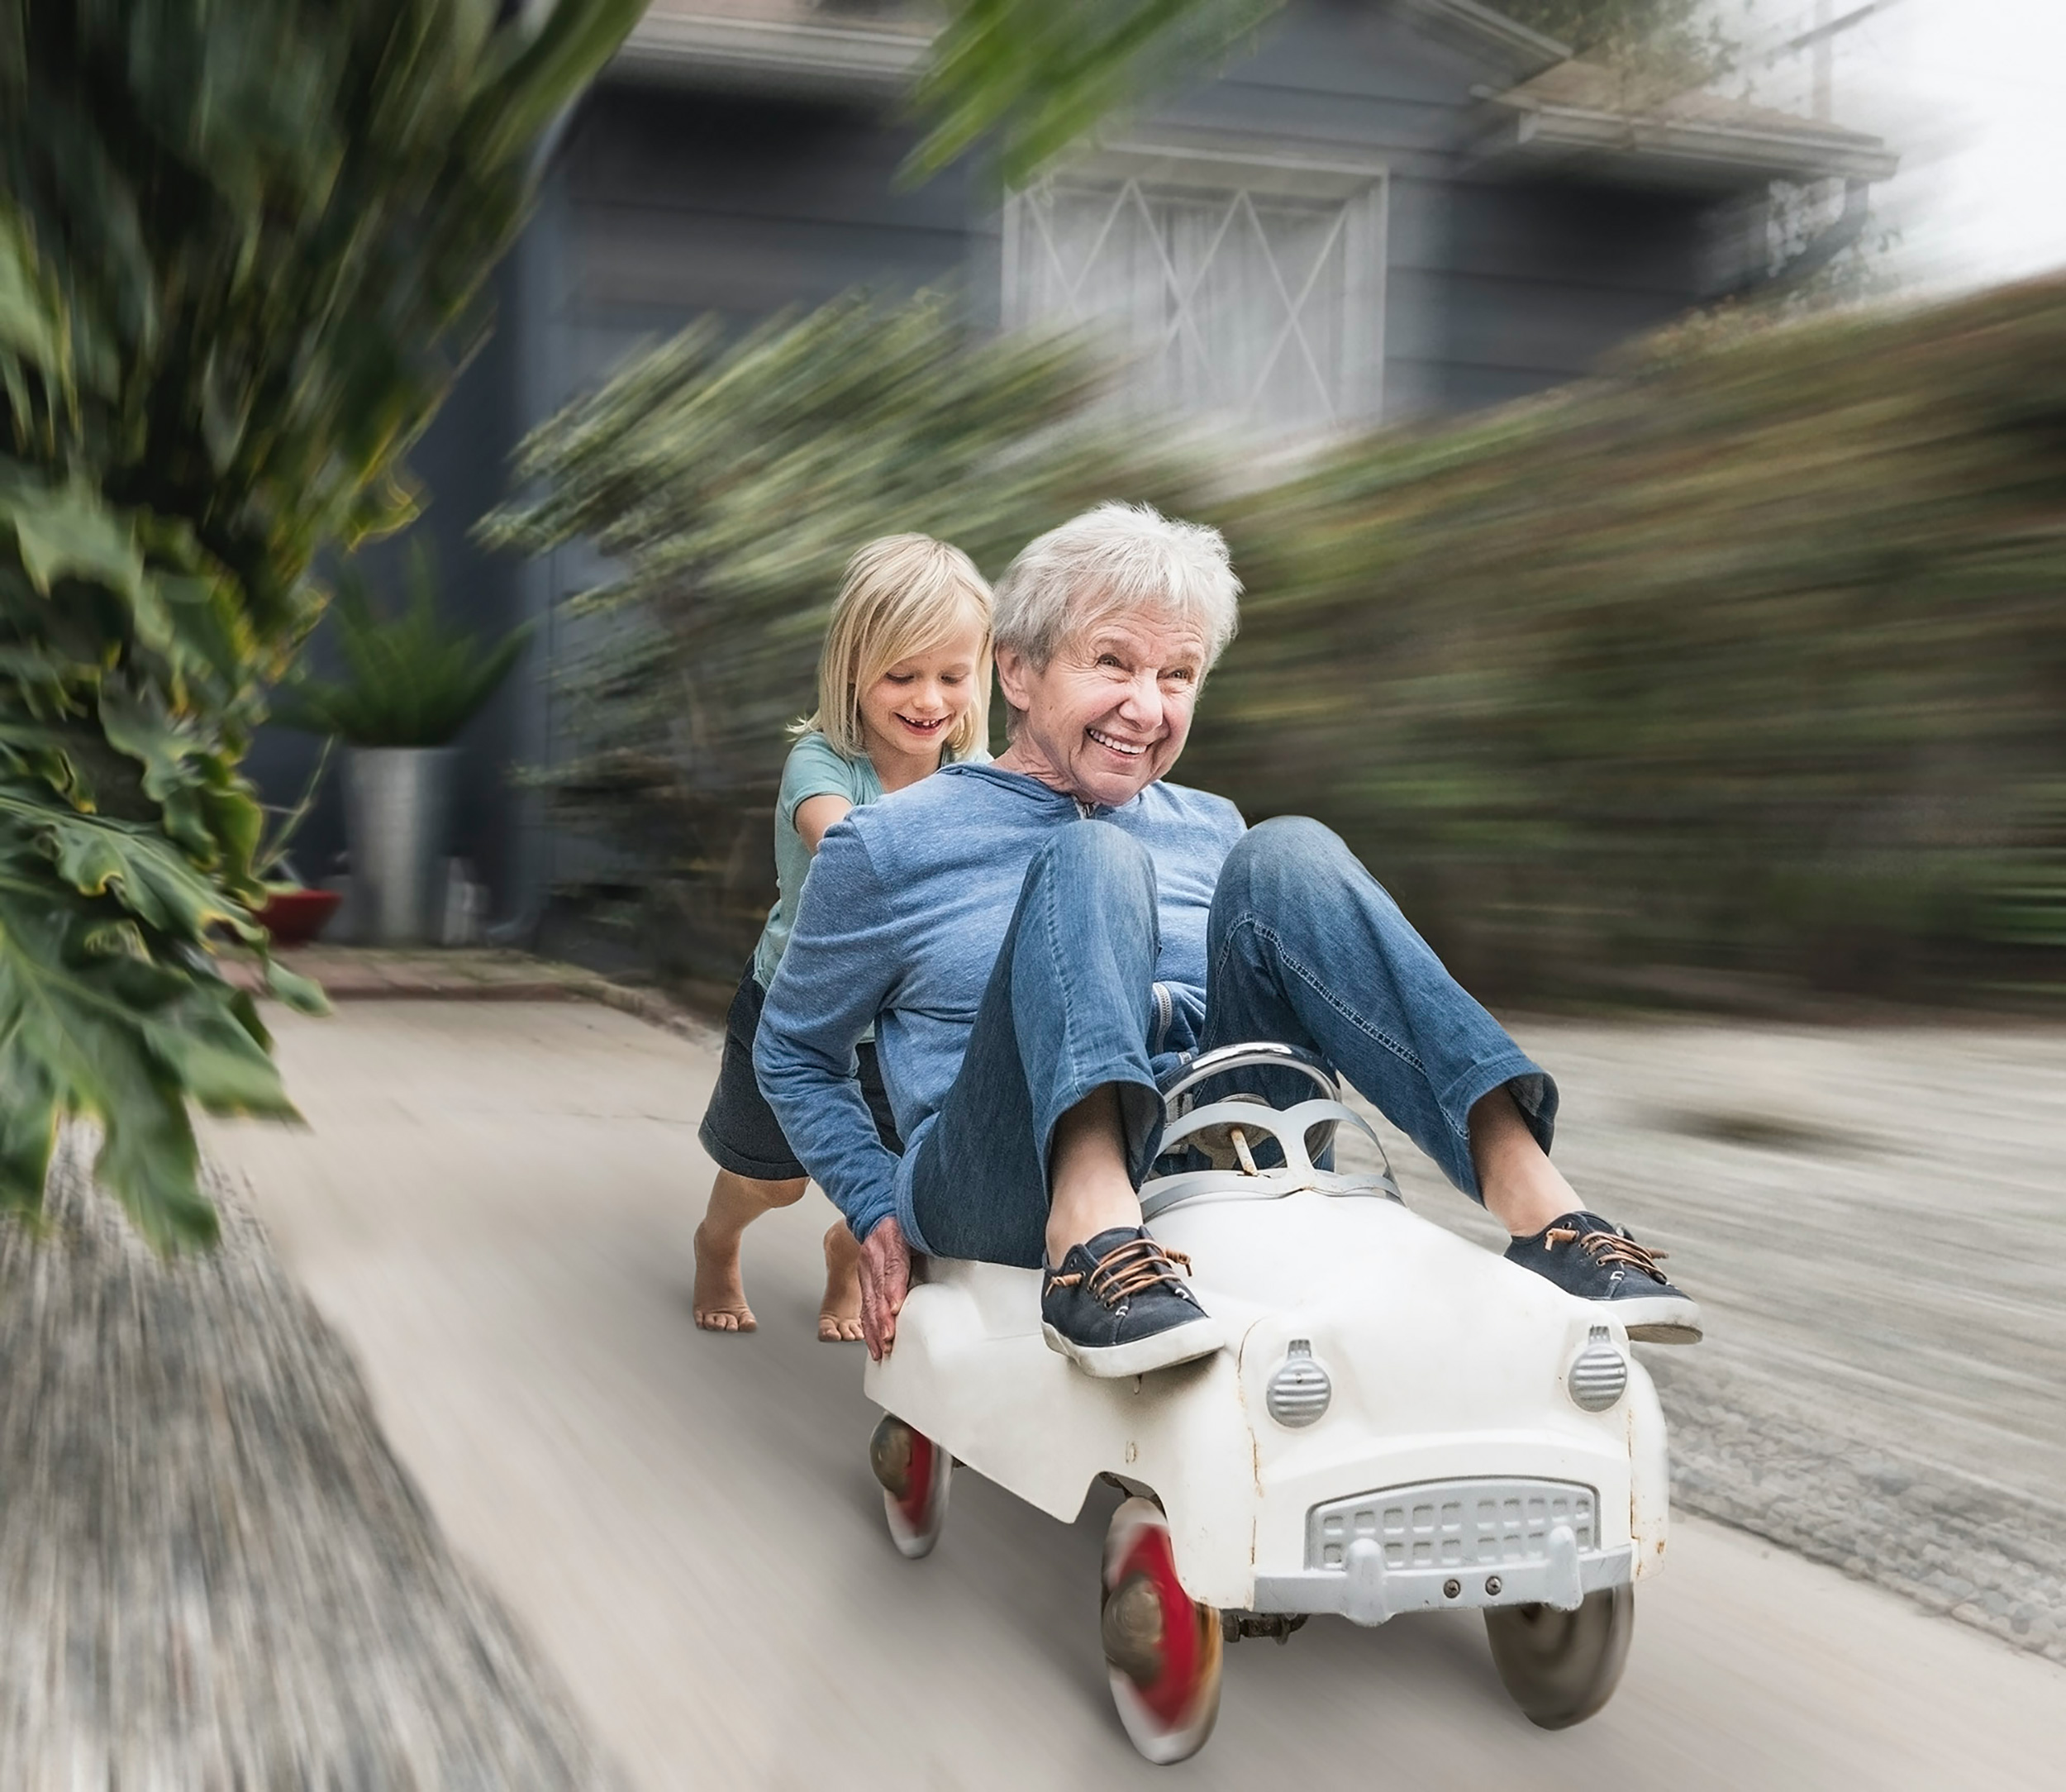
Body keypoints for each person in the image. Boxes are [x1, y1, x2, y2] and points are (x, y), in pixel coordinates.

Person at [755, 503, 1699, 1375]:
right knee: (1091, 858)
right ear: (1017, 669)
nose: (1147, 706)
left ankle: (1549, 1215)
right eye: (1113, 663)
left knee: (1291, 848)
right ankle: (1092, 1235)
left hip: (1229, 1139)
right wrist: (874, 1202)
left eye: (1178, 675)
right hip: (1002, 1175)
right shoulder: (887, 843)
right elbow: (795, 1050)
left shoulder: (1213, 827)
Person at [692, 534, 992, 1341]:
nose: (929, 699)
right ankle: (716, 1241)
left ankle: (848, 1245)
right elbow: (845, 843)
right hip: (796, 1011)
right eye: (902, 674)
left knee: (898, 1183)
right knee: (772, 1180)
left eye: (951, 675)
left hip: (902, 1023)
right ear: (852, 668)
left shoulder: (974, 774)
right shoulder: (821, 762)